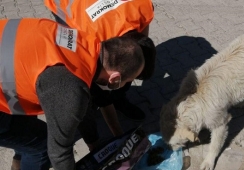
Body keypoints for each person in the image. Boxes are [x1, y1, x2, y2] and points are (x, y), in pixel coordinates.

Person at [0, 18, 144, 170]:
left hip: (8, 59)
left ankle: (20, 159)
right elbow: (60, 154)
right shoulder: (69, 88)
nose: (123, 86)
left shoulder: (83, 42)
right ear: (115, 78)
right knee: (41, 146)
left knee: (27, 130)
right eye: (126, 81)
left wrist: (93, 143)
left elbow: (81, 107)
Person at [44, 0, 155, 121]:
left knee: (124, 69)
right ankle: (93, 97)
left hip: (92, 13)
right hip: (66, 4)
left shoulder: (142, 7)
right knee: (90, 74)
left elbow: (141, 41)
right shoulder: (88, 36)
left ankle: (118, 99)